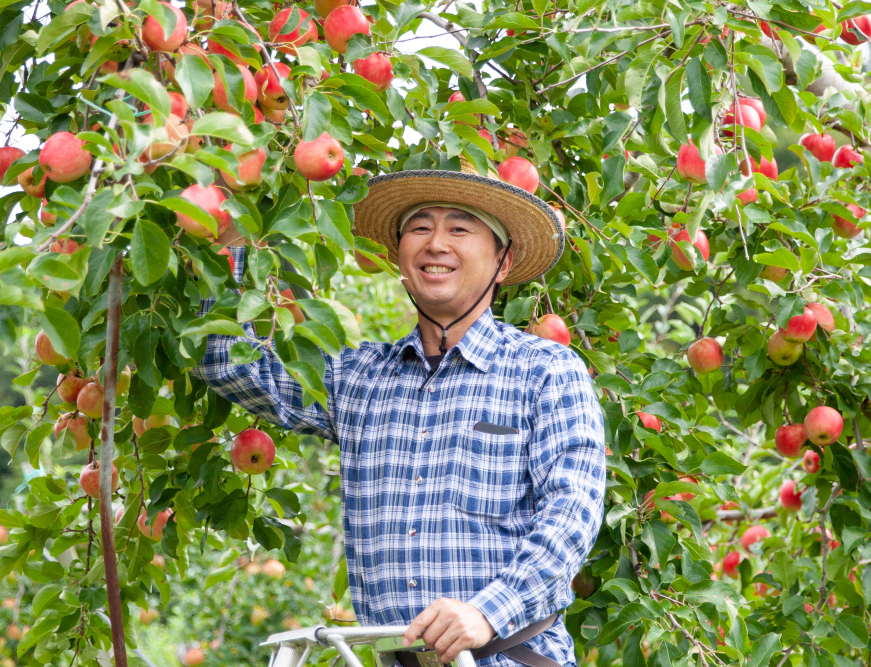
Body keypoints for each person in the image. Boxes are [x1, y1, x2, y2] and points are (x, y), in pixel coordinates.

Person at [193, 159, 606, 667]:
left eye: (459, 228)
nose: (436, 243)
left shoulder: (545, 371)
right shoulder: (360, 380)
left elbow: (573, 514)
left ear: (503, 262)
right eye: (419, 227)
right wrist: (231, 234)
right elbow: (228, 364)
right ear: (400, 259)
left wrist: (487, 613)